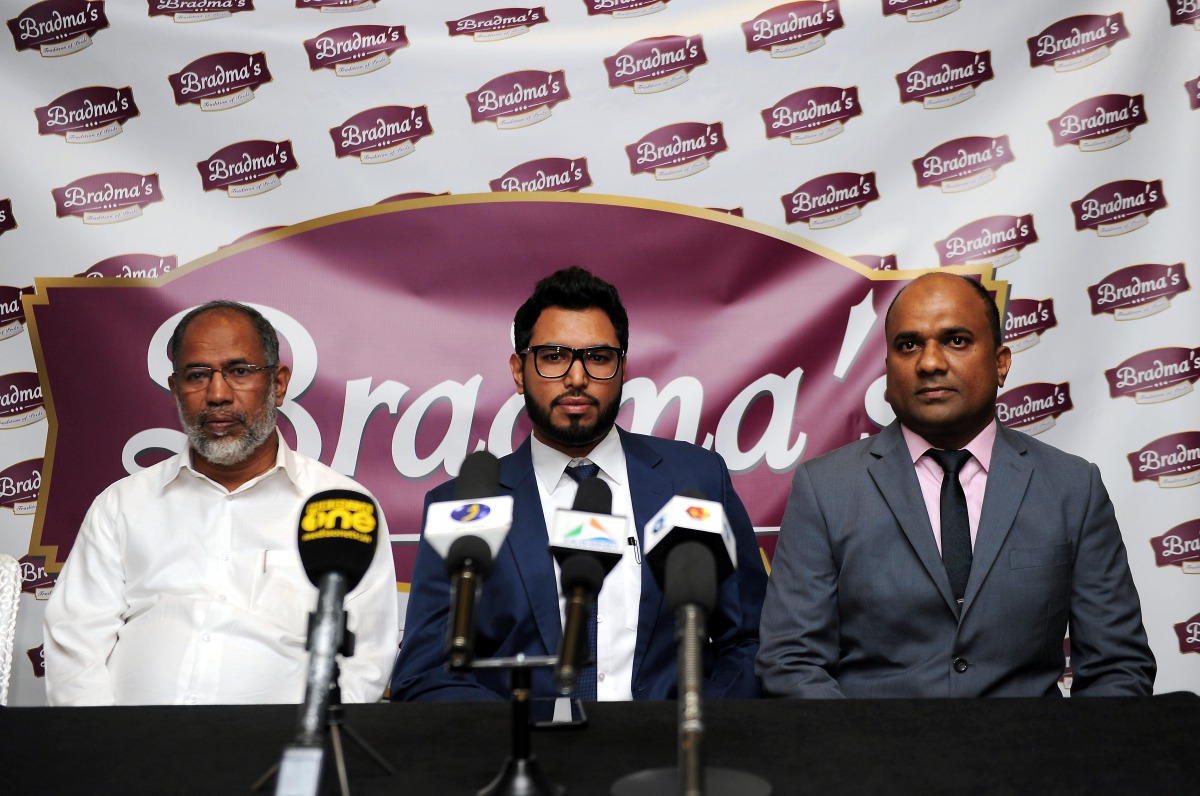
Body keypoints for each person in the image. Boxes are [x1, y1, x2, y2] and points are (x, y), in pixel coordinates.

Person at [757, 272, 1155, 698]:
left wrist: (1064, 762)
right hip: (872, 758)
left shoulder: (1073, 487)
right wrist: (864, 760)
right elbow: (792, 662)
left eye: (956, 341)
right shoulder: (826, 489)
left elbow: (1119, 667)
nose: (929, 363)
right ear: (888, 369)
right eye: (908, 345)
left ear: (1001, 362)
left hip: (1034, 759)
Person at [392, 266, 767, 701]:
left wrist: (694, 733)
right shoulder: (464, 506)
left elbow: (750, 640)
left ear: (622, 368)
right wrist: (522, 743)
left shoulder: (695, 480)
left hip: (670, 759)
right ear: (519, 370)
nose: (576, 377)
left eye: (597, 357)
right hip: (525, 757)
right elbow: (424, 675)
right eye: (553, 356)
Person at [43, 300, 398, 705]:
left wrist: (309, 751)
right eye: (197, 375)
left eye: (239, 371)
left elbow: (366, 659)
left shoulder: (341, 507)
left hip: (277, 755)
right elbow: (75, 645)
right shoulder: (123, 504)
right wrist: (108, 750)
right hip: (132, 753)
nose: (216, 394)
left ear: (278, 384)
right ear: (176, 389)